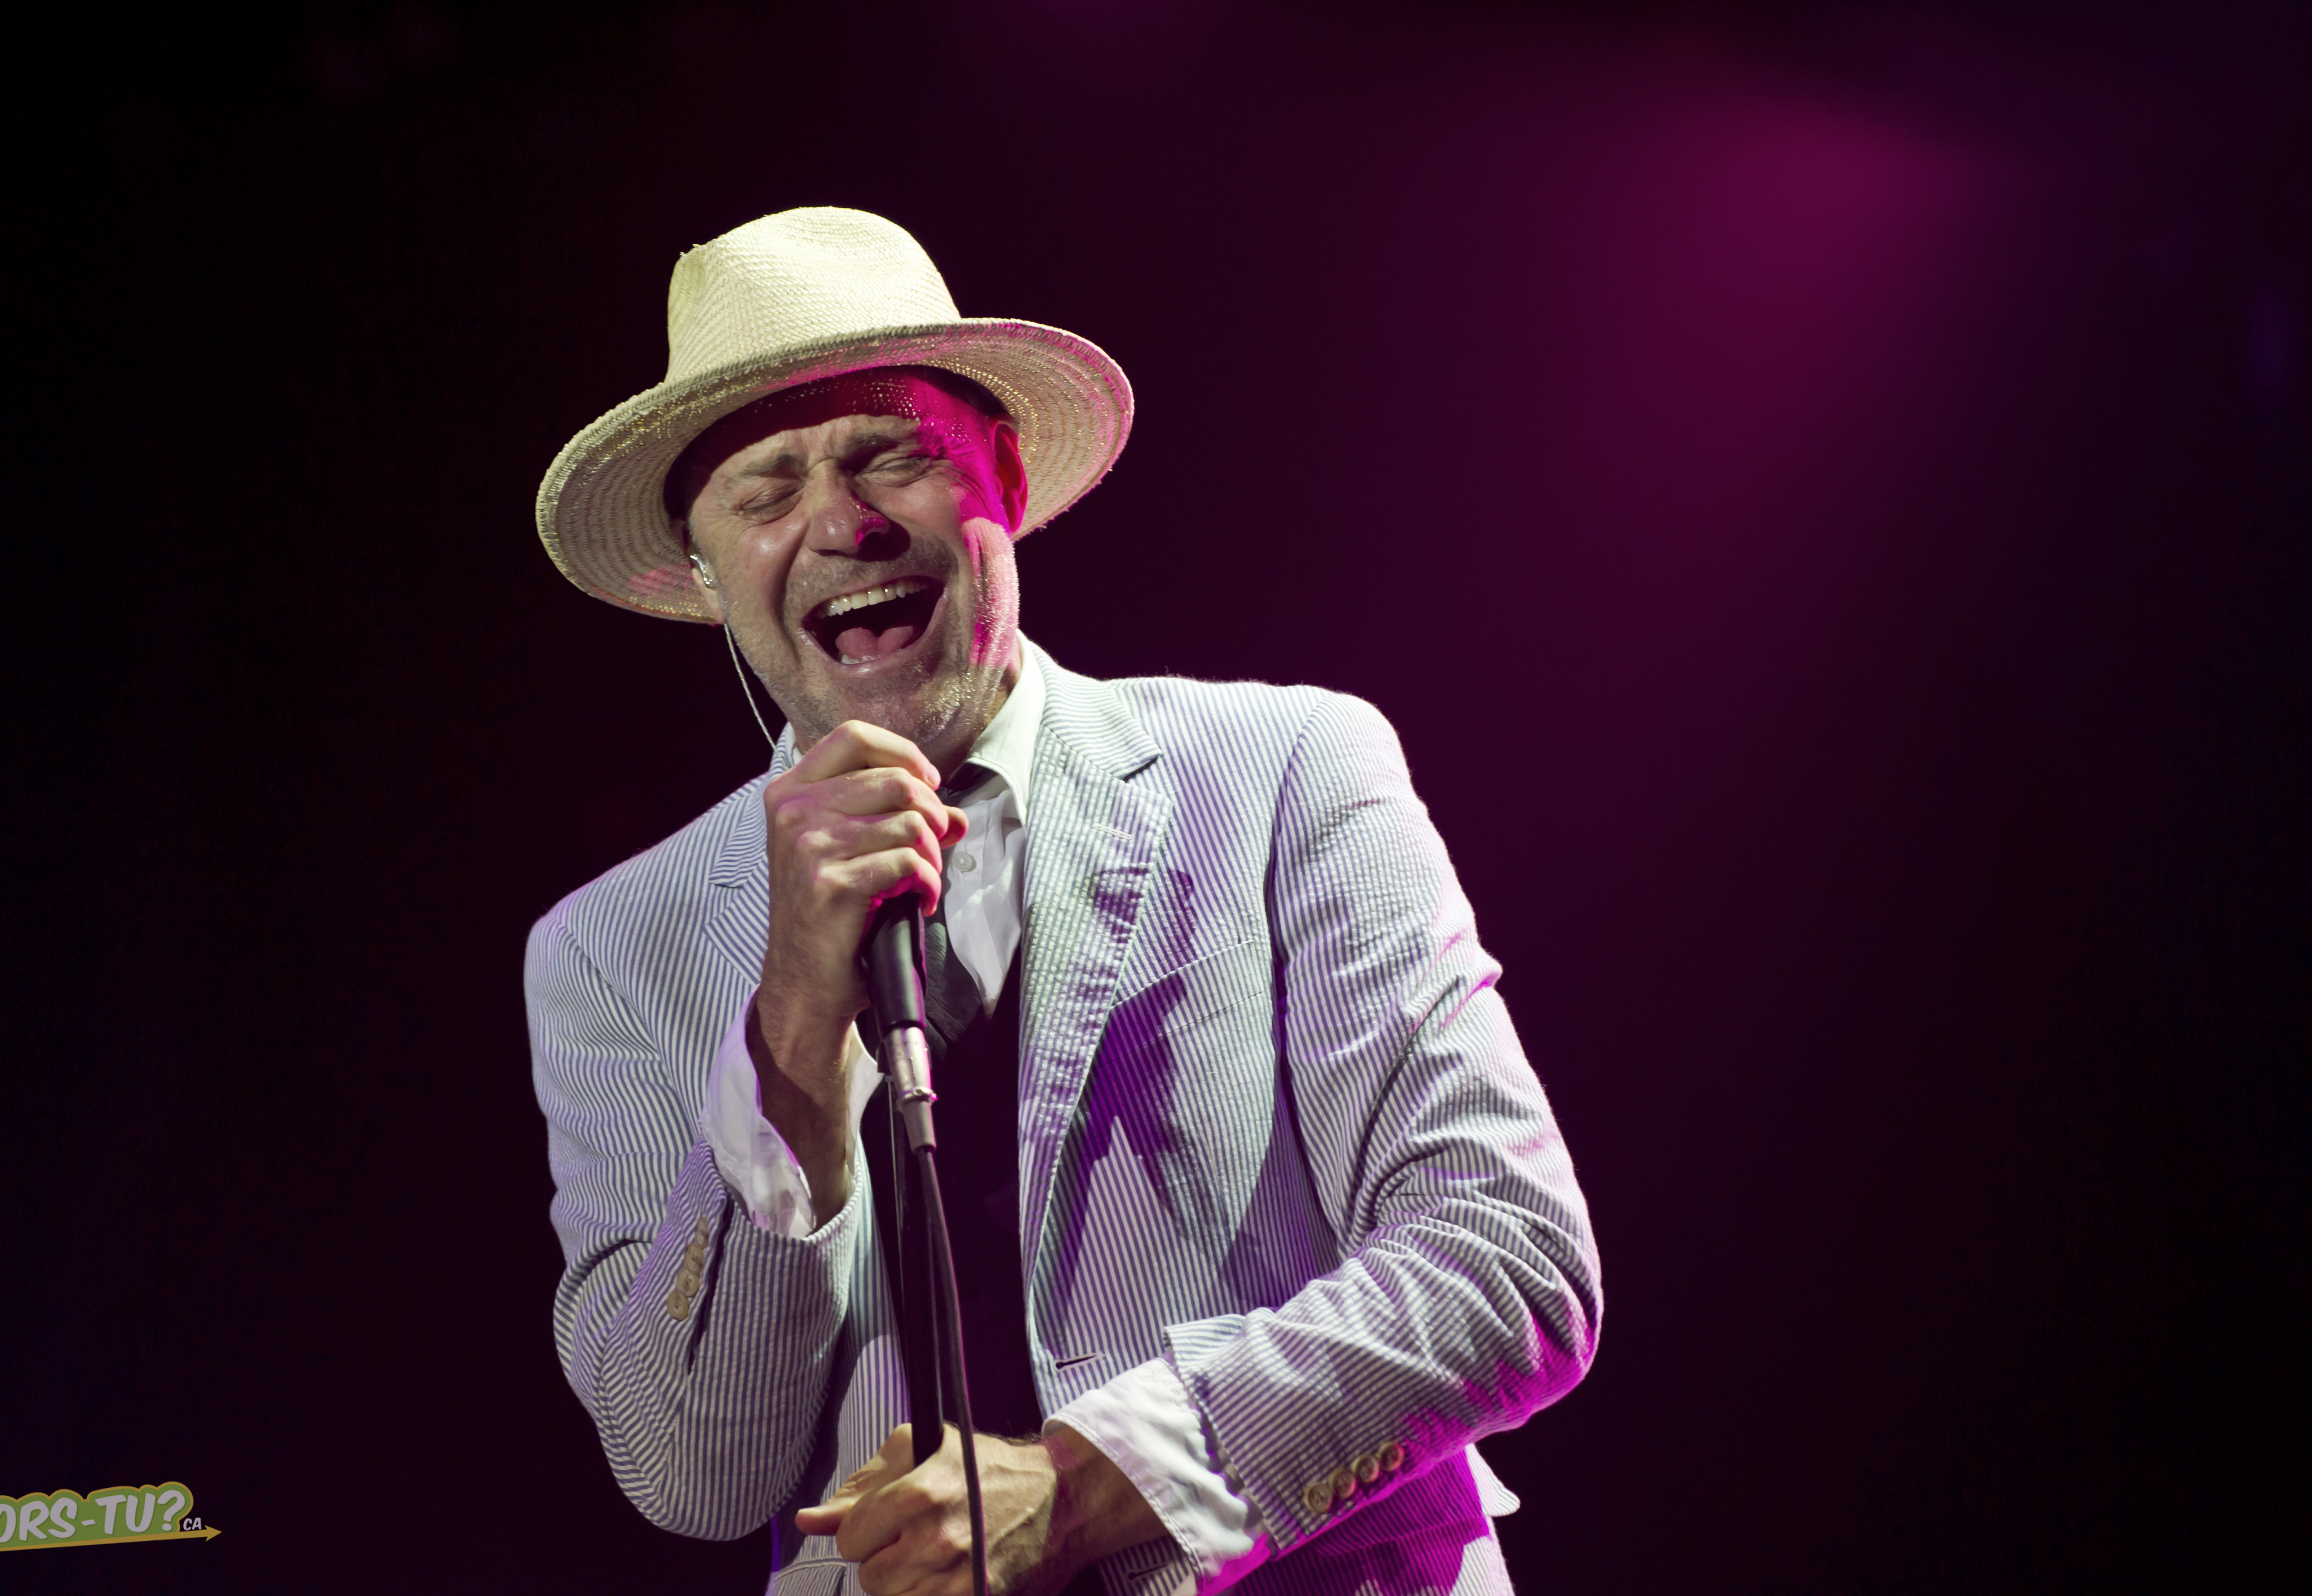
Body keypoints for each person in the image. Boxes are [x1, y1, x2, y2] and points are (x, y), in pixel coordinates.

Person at [527, 207, 1600, 1596]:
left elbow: (1508, 1262)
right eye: (766, 491)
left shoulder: (1283, 771)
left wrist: (1093, 1483)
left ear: (1007, 475)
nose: (843, 522)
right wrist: (791, 1022)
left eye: (894, 454)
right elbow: (689, 1473)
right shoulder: (618, 946)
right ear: (702, 571)